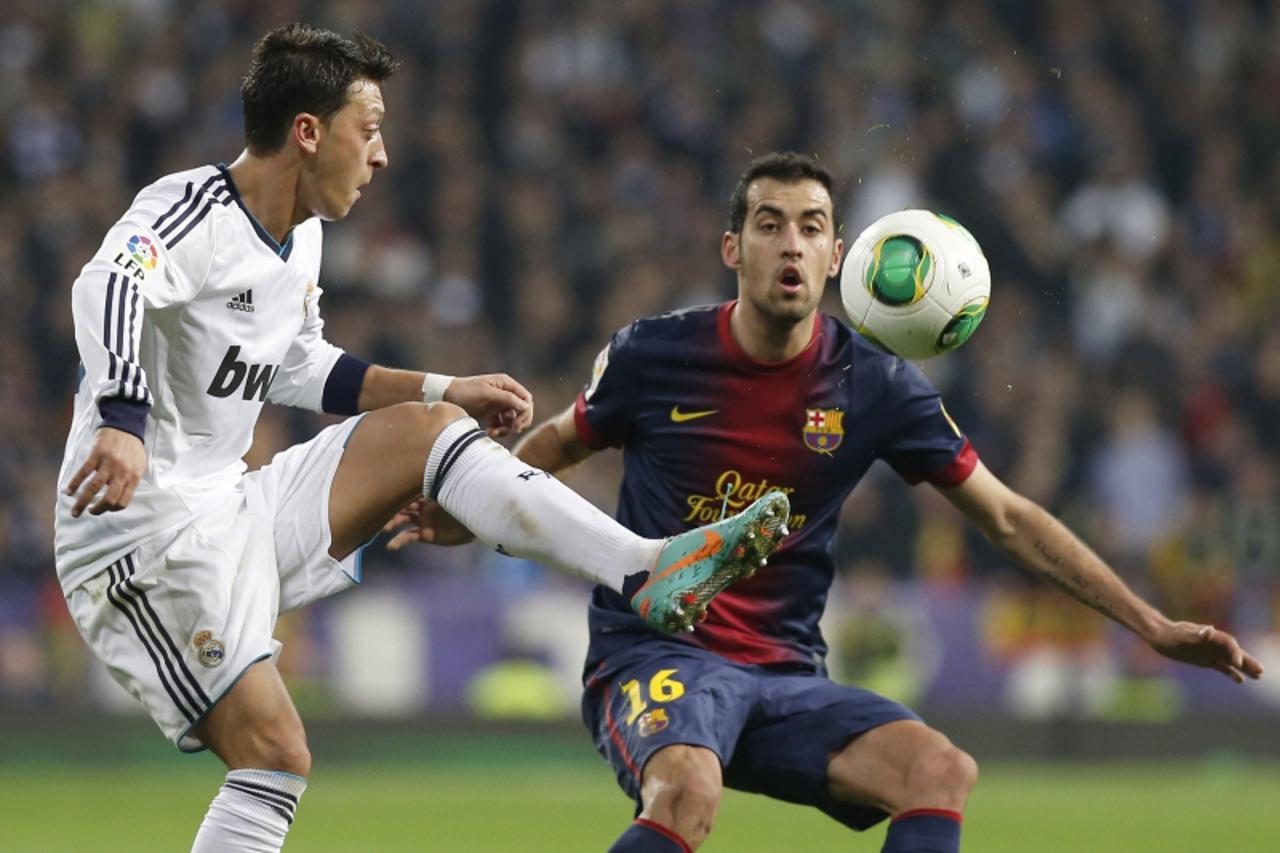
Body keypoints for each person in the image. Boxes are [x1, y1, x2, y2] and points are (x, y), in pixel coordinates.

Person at [53, 25, 789, 853]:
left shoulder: (302, 238)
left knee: (434, 433)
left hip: (229, 503)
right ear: (308, 131)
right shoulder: (191, 210)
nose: (382, 156)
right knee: (274, 754)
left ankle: (642, 567)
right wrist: (121, 419)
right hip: (138, 532)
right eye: (367, 130)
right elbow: (106, 280)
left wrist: (444, 388)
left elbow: (303, 367)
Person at [396, 151, 1263, 853]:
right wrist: (469, 507)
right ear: (732, 248)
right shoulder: (653, 356)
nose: (792, 246)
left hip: (782, 673)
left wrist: (1149, 623)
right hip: (655, 653)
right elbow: (551, 448)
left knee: (940, 770)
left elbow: (1007, 516)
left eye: (811, 227)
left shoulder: (877, 386)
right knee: (687, 786)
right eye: (769, 225)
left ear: (838, 255)